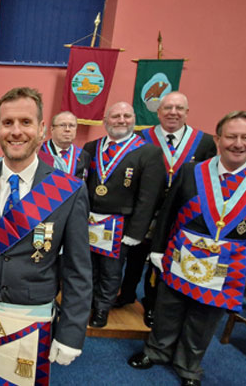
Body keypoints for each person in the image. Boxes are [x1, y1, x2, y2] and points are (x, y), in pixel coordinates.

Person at [128, 111, 246, 386]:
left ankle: (188, 366)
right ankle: (156, 351)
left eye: (245, 137)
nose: (238, 143)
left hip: (227, 266)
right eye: (231, 136)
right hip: (180, 255)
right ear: (218, 139)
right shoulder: (192, 171)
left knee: (204, 318)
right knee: (168, 307)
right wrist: (158, 247)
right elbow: (168, 211)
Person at [0, 87, 91, 385]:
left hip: (31, 321)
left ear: (42, 129)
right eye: (8, 123)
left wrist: (71, 332)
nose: (16, 131)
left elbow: (78, 270)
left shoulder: (69, 190)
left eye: (26, 122)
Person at [122, 92, 217, 327]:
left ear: (187, 112)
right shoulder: (140, 137)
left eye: (179, 108)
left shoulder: (204, 142)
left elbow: (208, 179)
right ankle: (126, 294)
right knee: (134, 257)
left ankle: (152, 303)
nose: (173, 112)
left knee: (162, 262)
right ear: (158, 112)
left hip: (179, 216)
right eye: (167, 108)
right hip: (144, 212)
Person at [75, 102, 162, 327]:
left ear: (134, 119)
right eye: (115, 116)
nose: (121, 120)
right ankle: (89, 304)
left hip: (119, 225)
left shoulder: (148, 152)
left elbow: (148, 197)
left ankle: (103, 308)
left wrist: (136, 231)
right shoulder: (91, 147)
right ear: (106, 121)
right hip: (89, 220)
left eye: (126, 116)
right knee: (87, 267)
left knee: (110, 271)